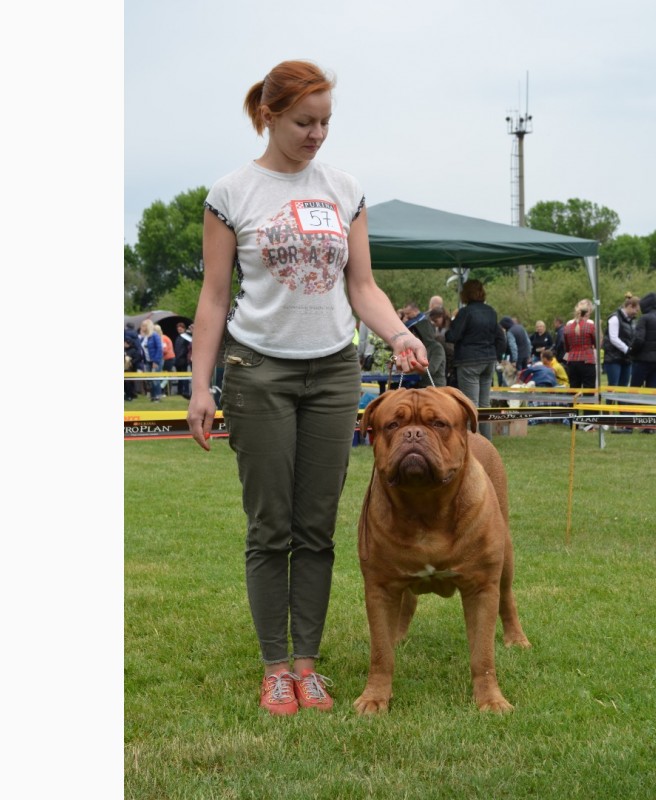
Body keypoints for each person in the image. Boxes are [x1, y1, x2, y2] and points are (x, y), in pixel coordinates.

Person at [186, 60, 429, 717]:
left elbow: (363, 286)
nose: (317, 133)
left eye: (325, 121)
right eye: (304, 121)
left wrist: (399, 335)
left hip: (334, 372)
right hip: (257, 370)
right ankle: (274, 668)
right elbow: (212, 299)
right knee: (272, 527)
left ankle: (307, 667)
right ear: (269, 116)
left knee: (316, 528)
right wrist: (199, 386)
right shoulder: (231, 193)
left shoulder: (345, 188)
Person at [445, 279, 506, 440]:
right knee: (485, 404)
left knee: (471, 403)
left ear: (465, 294)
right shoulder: (491, 312)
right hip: (489, 360)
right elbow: (501, 338)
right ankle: (487, 441)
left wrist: (448, 327)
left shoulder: (465, 312)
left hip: (469, 361)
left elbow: (453, 336)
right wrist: (496, 356)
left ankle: (475, 443)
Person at [401, 301, 446, 387]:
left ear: (423, 333)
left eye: (415, 333)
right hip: (421, 384)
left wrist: (414, 368)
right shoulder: (420, 347)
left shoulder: (437, 348)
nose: (414, 335)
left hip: (435, 386)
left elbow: (432, 370)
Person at [602, 295, 640, 387]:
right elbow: (613, 338)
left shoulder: (632, 321)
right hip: (614, 358)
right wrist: (627, 349)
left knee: (624, 387)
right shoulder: (614, 318)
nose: (636, 313)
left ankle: (621, 402)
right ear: (630, 306)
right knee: (613, 386)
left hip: (626, 359)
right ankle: (609, 402)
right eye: (636, 310)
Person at [563, 299, 597, 390]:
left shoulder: (567, 328)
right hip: (587, 360)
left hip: (572, 361)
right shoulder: (590, 326)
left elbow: (566, 348)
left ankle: (573, 404)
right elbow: (597, 344)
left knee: (573, 389)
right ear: (587, 313)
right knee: (588, 391)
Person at [428, 305, 456, 387]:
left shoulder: (449, 328)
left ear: (441, 317)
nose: (435, 324)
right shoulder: (439, 328)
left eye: (436, 321)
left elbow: (451, 348)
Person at [139, 318, 164, 402]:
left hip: (155, 361)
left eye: (143, 325)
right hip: (147, 361)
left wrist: (156, 361)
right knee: (149, 379)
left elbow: (159, 348)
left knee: (155, 379)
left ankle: (157, 396)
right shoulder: (144, 337)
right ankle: (153, 396)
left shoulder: (155, 335)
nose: (141, 327)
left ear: (148, 326)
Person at [124, 324, 146, 400]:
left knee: (127, 381)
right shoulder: (136, 337)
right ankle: (132, 394)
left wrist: (131, 362)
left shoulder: (126, 335)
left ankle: (129, 395)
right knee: (130, 380)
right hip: (135, 363)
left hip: (130, 364)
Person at [155, 324, 176, 396]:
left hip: (168, 359)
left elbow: (165, 350)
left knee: (166, 376)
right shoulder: (161, 338)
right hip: (165, 359)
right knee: (164, 376)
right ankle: (164, 391)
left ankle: (165, 391)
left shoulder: (163, 338)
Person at [173, 321, 192, 398]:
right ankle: (179, 390)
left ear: (184, 329)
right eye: (178, 328)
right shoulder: (178, 337)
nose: (179, 329)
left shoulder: (187, 337)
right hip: (177, 359)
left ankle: (186, 391)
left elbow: (186, 349)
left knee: (184, 376)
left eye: (181, 328)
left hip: (183, 359)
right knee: (179, 376)